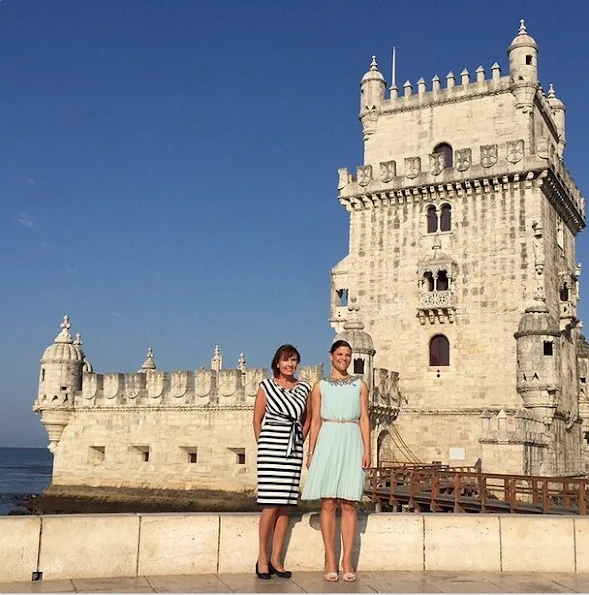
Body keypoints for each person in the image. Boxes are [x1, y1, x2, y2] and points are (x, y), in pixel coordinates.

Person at [301, 340, 370, 583]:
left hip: (352, 438)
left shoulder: (360, 385)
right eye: (340, 354)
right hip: (328, 438)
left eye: (348, 355)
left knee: (350, 502)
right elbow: (316, 420)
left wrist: (368, 450)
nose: (344, 358)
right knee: (328, 501)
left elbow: (364, 419)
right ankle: (330, 559)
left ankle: (347, 561)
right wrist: (311, 452)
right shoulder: (319, 386)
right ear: (331, 356)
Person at [253, 344, 312, 580]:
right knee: (269, 506)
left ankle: (276, 559)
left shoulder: (304, 388)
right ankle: (261, 559)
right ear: (277, 362)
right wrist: (265, 444)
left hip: (293, 450)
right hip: (270, 451)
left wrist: (300, 440)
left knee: (285, 506)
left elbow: (307, 419)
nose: (290, 364)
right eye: (286, 360)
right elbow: (257, 420)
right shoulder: (265, 387)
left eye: (294, 360)